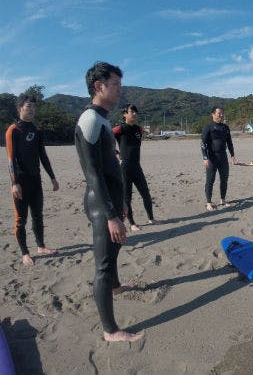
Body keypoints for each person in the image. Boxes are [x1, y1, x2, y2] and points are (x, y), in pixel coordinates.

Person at [75, 61, 143, 342]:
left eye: (119, 84)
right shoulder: (90, 120)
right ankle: (110, 331)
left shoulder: (102, 118)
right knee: (103, 265)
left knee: (113, 253)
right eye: (114, 85)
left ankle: (115, 287)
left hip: (112, 202)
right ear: (98, 86)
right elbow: (92, 174)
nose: (119, 90)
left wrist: (121, 205)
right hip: (101, 205)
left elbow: (110, 168)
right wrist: (111, 215)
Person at [5, 94, 59, 266]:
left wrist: (52, 177)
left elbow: (43, 156)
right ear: (20, 108)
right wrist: (14, 183)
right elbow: (11, 159)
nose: (32, 109)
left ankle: (41, 246)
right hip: (20, 182)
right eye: (28, 106)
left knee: (38, 215)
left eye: (34, 107)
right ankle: (25, 253)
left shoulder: (37, 130)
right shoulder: (13, 130)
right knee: (21, 219)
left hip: (36, 181)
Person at [112, 104, 155, 231]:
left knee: (146, 193)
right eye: (132, 112)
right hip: (124, 167)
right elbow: (106, 137)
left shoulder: (139, 129)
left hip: (137, 166)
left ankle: (151, 218)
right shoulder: (120, 129)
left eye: (136, 112)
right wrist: (115, 152)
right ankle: (132, 224)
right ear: (125, 114)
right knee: (127, 197)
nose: (134, 114)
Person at [201, 106, 236, 211]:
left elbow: (229, 143)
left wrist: (233, 155)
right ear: (213, 114)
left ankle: (223, 200)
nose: (221, 115)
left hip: (223, 157)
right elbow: (203, 144)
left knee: (224, 179)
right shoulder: (208, 127)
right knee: (210, 180)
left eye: (222, 113)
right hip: (211, 157)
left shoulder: (225, 127)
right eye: (219, 113)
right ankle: (209, 203)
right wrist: (205, 158)